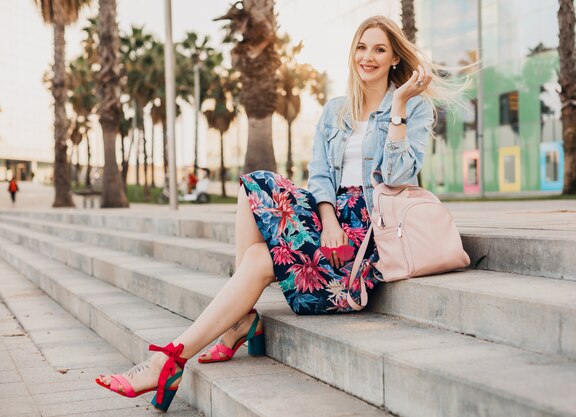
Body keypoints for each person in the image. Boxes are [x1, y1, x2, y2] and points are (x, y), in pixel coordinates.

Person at [96, 15, 463, 412]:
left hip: (370, 236)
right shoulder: (336, 110)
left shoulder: (415, 108)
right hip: (332, 219)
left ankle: (173, 358)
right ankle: (211, 337)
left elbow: (397, 175)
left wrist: (400, 106)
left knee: (258, 258)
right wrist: (328, 220)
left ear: (394, 59)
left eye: (379, 50)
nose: (367, 57)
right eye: (361, 47)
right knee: (255, 183)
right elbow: (320, 175)